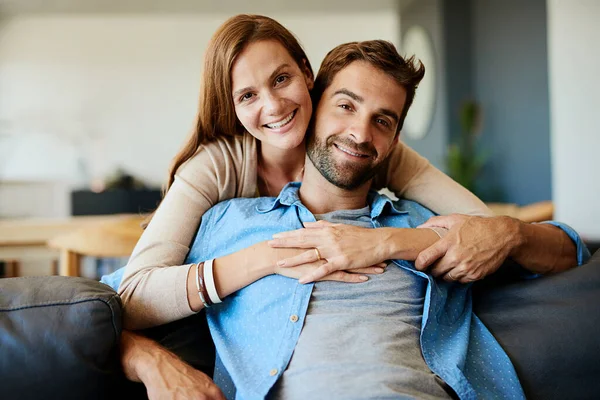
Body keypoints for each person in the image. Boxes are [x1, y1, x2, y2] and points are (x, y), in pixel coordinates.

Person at [113, 39, 588, 399]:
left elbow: (567, 253)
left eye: (383, 121)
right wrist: (151, 360)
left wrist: (391, 243)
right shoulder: (228, 220)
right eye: (345, 106)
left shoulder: (426, 223)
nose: (360, 133)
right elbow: (116, 303)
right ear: (316, 107)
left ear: (395, 139)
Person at [114, 14, 497, 332]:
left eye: (281, 79)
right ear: (231, 107)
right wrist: (274, 256)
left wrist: (386, 241)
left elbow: (483, 228)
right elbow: (134, 292)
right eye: (248, 95)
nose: (274, 105)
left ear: (306, 74)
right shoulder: (215, 166)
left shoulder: (358, 146)